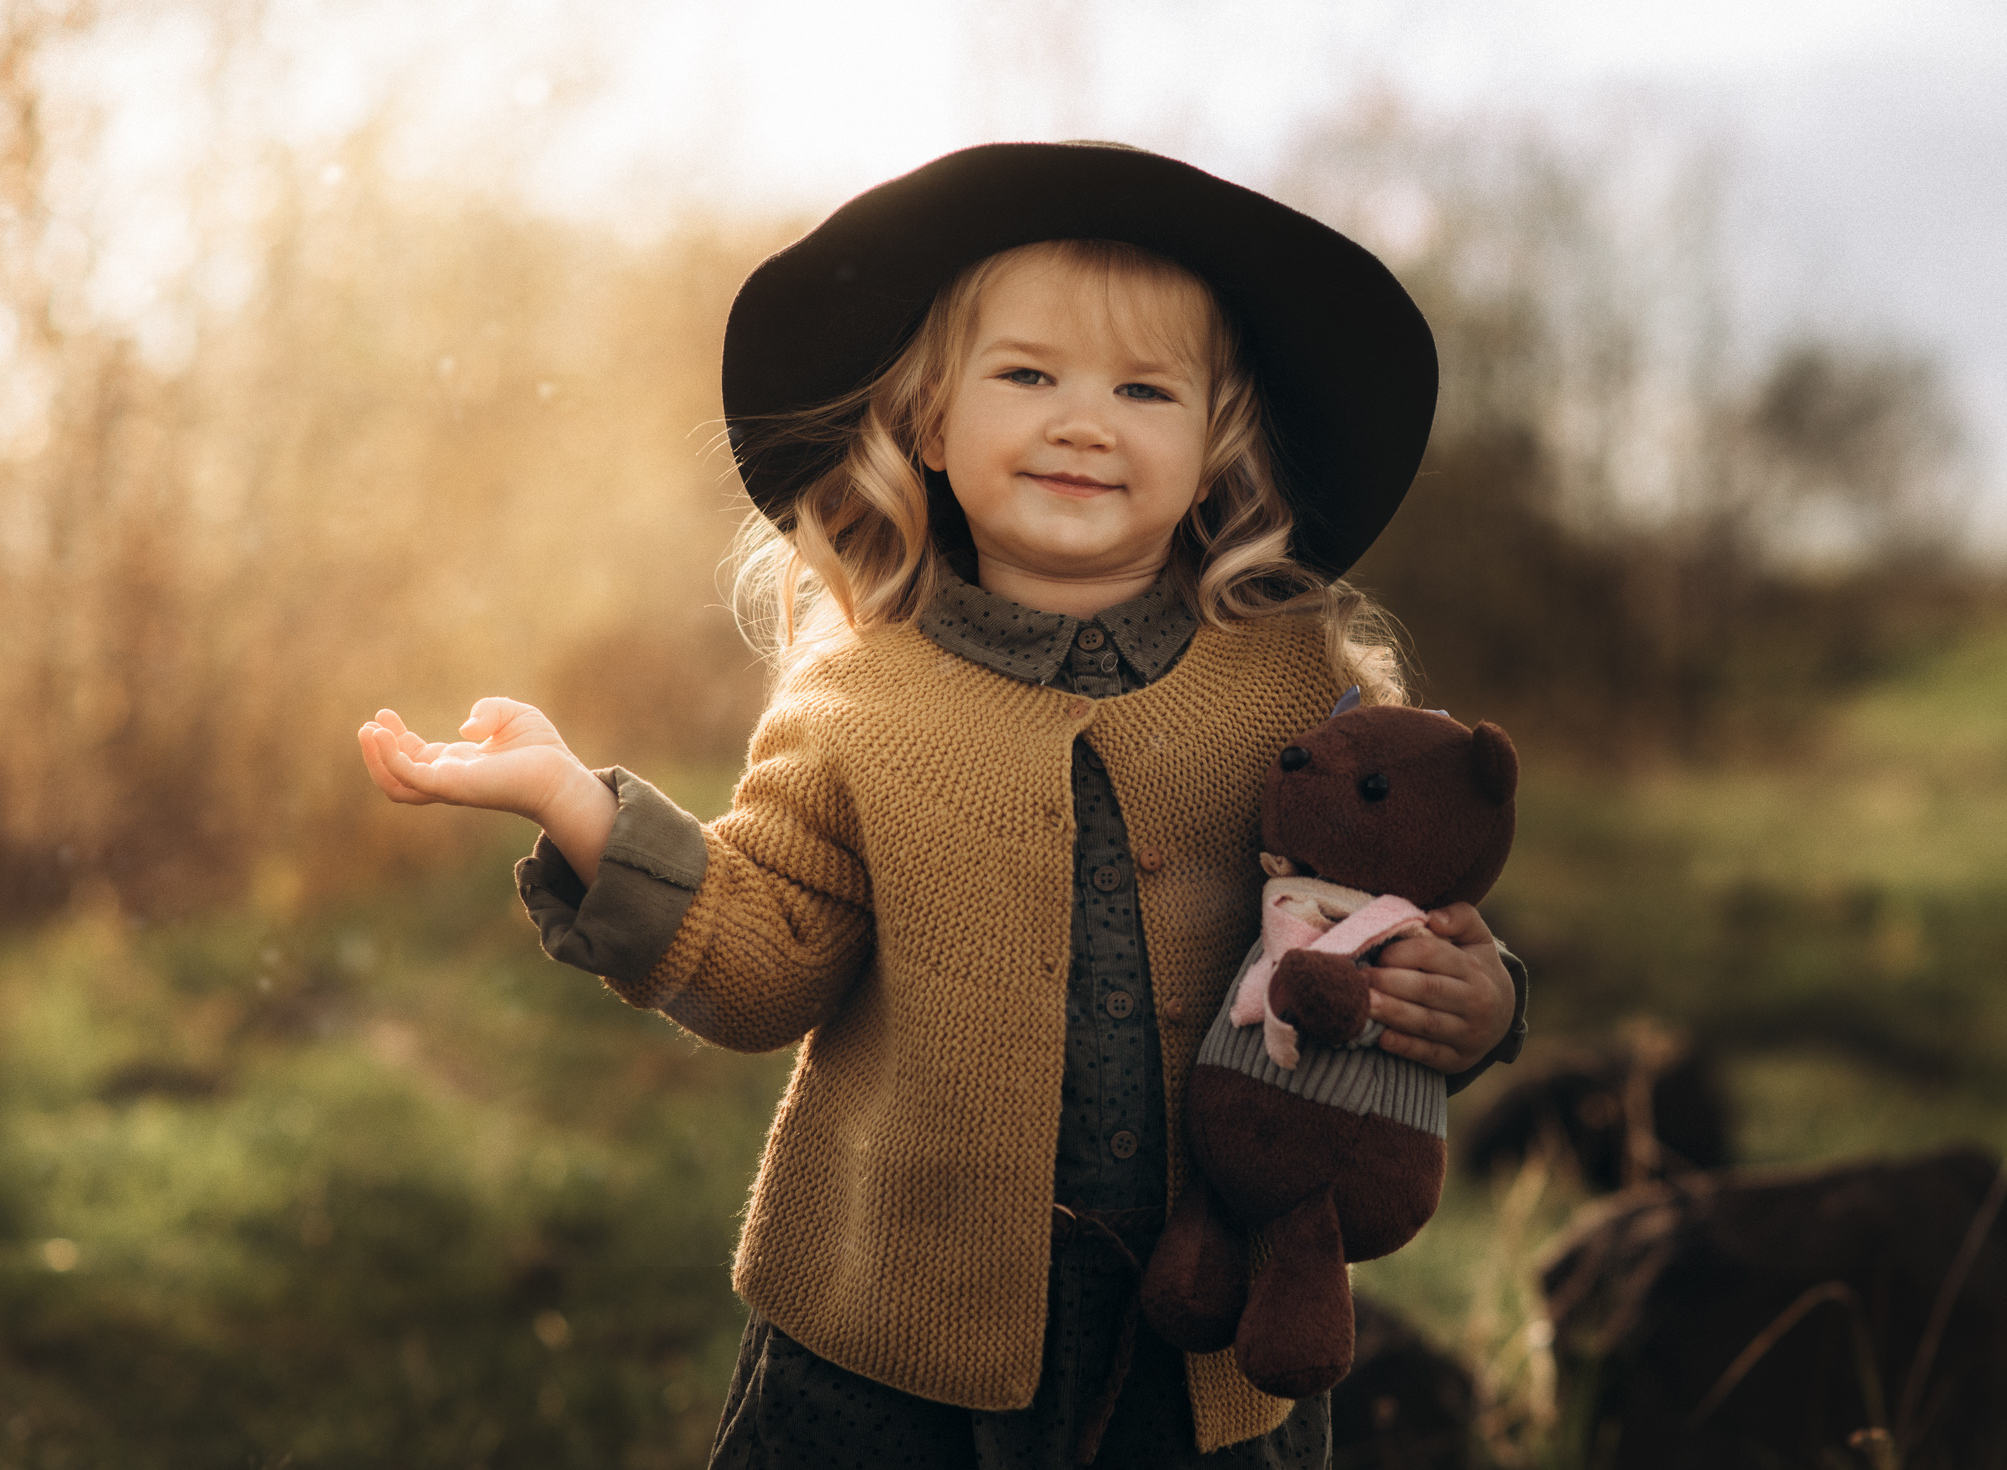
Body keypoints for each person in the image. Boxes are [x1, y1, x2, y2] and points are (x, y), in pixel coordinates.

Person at [356, 143, 1528, 1469]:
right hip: (888, 1361)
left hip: (1203, 1356)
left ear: (1214, 448)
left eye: (1144, 389)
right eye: (1028, 375)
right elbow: (762, 957)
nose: (1083, 423)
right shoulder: (862, 694)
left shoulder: (1297, 686)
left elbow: (1392, 911)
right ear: (928, 421)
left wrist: (1481, 1001)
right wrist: (575, 803)